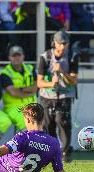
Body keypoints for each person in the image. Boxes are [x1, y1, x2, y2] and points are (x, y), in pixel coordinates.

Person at [37, 31, 78, 163]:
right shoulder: (44, 57)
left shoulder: (72, 56)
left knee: (63, 122)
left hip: (65, 95)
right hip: (47, 96)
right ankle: (51, 151)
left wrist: (62, 72)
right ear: (54, 43)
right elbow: (39, 82)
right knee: (48, 124)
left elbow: (73, 80)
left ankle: (65, 152)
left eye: (66, 43)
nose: (63, 46)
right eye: (61, 43)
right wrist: (51, 83)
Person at [0, 45, 37, 131]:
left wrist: (21, 89)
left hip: (32, 107)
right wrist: (29, 91)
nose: (16, 58)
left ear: (23, 56)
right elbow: (13, 93)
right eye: (14, 56)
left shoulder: (30, 68)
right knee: (27, 123)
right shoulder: (5, 73)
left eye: (18, 55)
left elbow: (36, 87)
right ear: (9, 58)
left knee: (44, 121)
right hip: (14, 108)